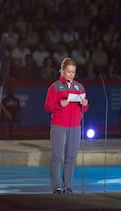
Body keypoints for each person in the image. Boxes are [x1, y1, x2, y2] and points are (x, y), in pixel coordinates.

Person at [44, 57, 89, 194]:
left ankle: (67, 185)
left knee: (71, 157)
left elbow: (84, 109)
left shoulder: (79, 87)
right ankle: (57, 186)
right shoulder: (55, 87)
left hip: (75, 126)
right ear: (62, 71)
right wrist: (59, 105)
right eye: (68, 71)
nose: (71, 74)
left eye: (73, 72)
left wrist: (85, 104)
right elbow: (47, 106)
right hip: (59, 125)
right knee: (57, 156)